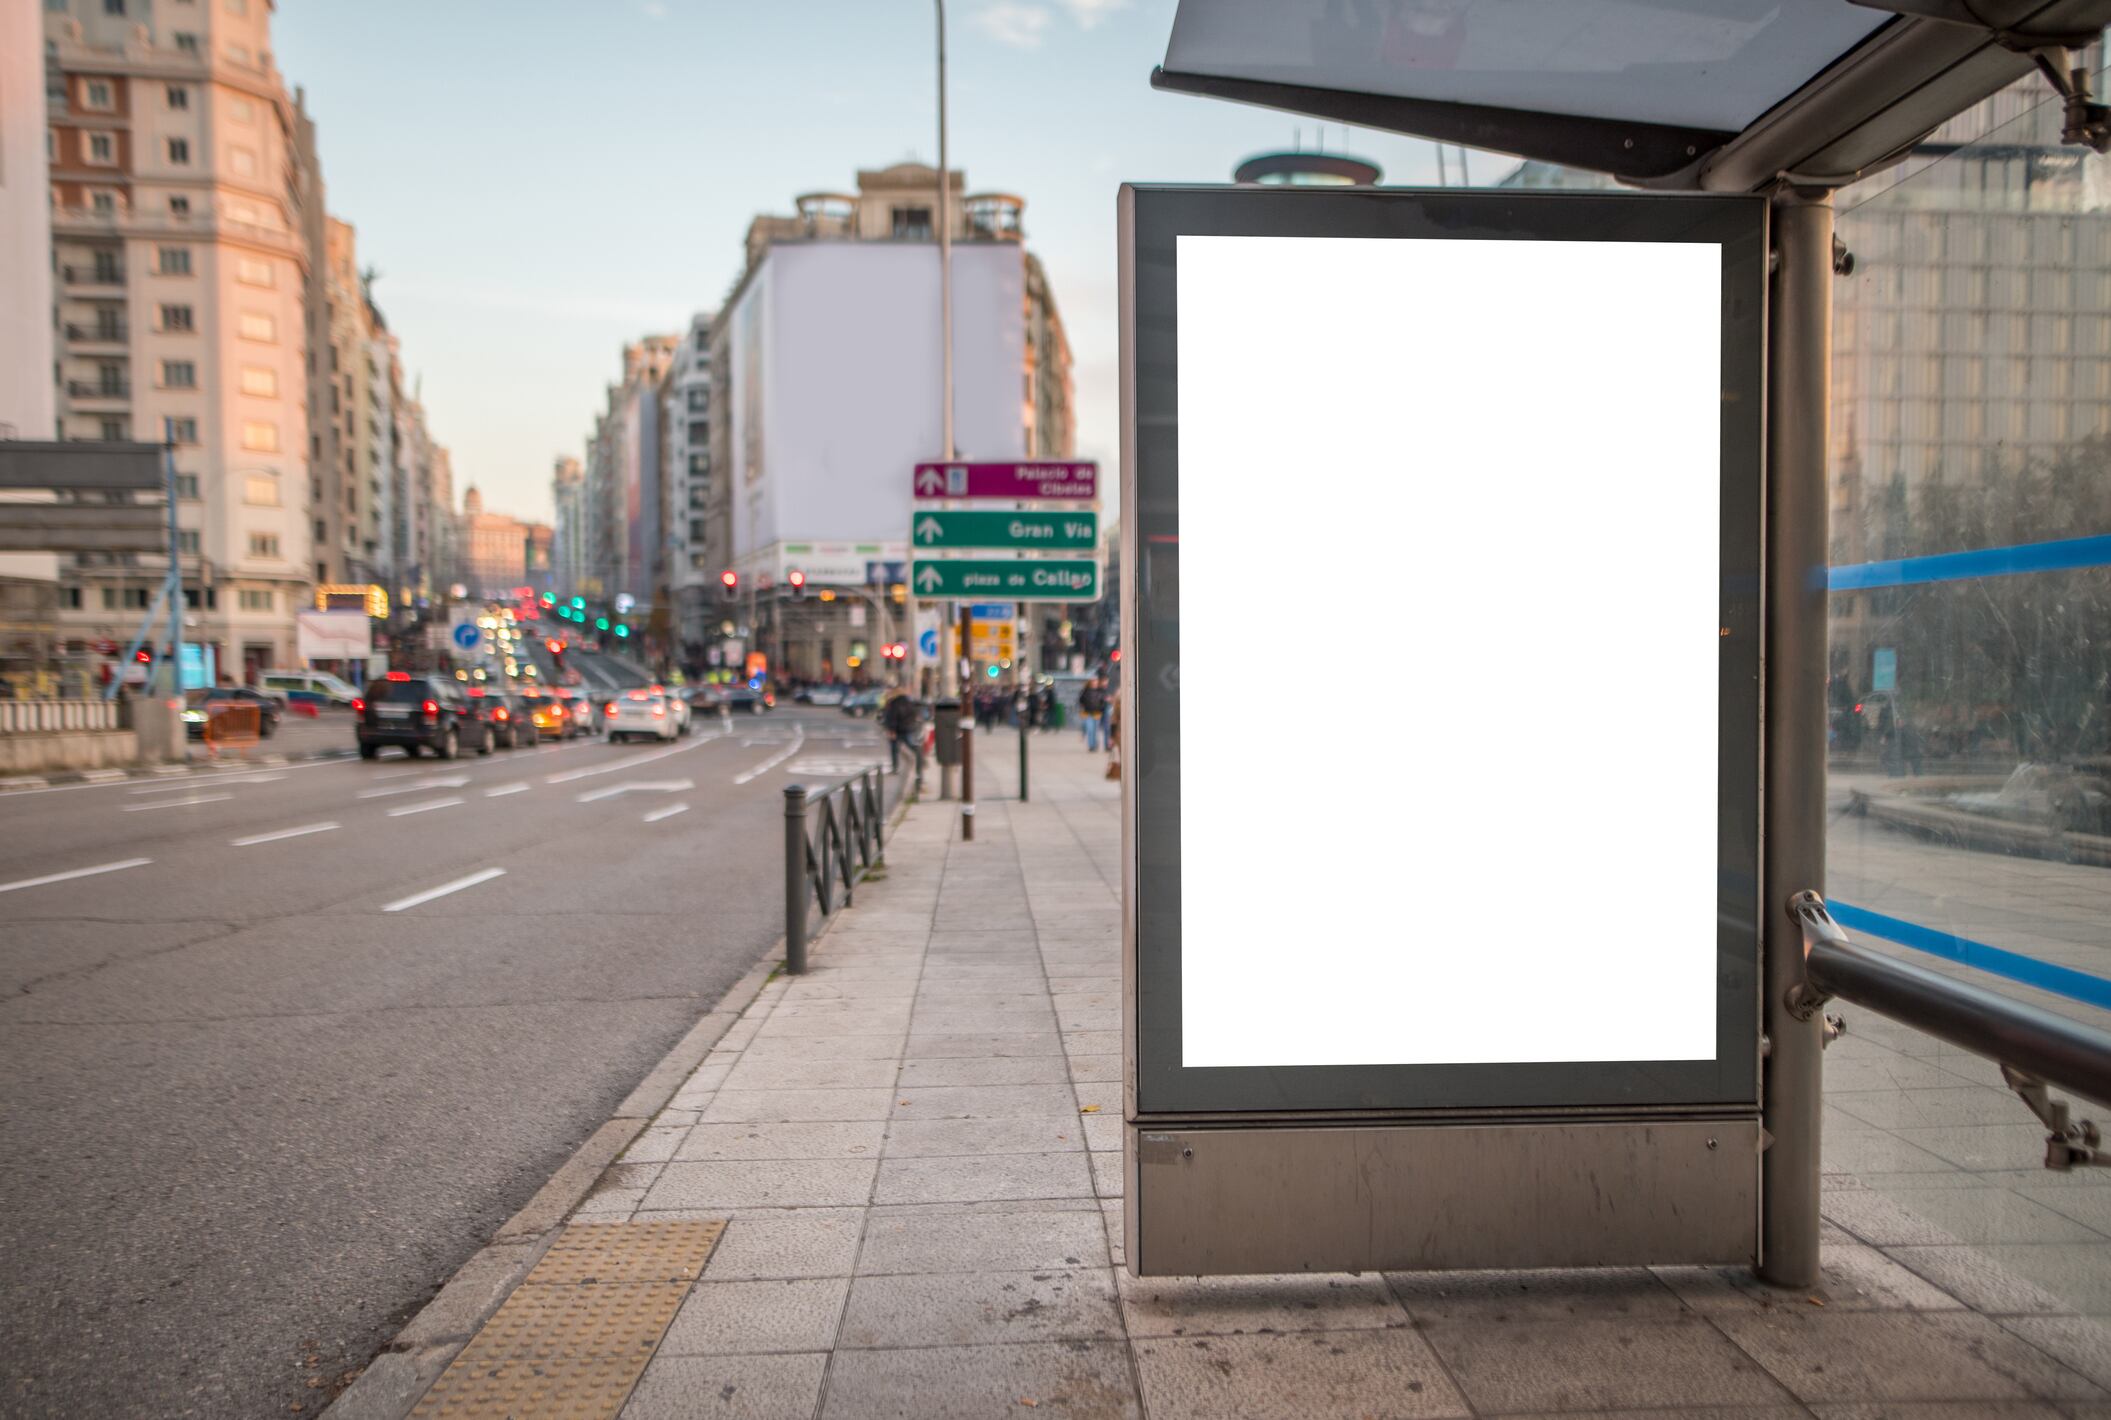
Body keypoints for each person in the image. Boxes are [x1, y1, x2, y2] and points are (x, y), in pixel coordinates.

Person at [880, 686, 921, 777]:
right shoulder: (909, 702)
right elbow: (913, 715)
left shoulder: (894, 703)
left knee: (894, 749)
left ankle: (895, 768)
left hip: (897, 729)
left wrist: (892, 730)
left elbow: (893, 717)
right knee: (911, 746)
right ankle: (920, 761)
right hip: (907, 728)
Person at [1078, 676, 1106, 752]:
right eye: (1093, 682)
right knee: (1090, 729)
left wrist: (1101, 708)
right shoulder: (1085, 691)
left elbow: (1103, 702)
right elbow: (1080, 701)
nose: (1094, 683)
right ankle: (1091, 746)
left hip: (1097, 713)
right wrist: (1083, 707)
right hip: (1088, 713)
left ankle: (1095, 744)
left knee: (1095, 730)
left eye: (1096, 682)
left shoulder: (1100, 691)